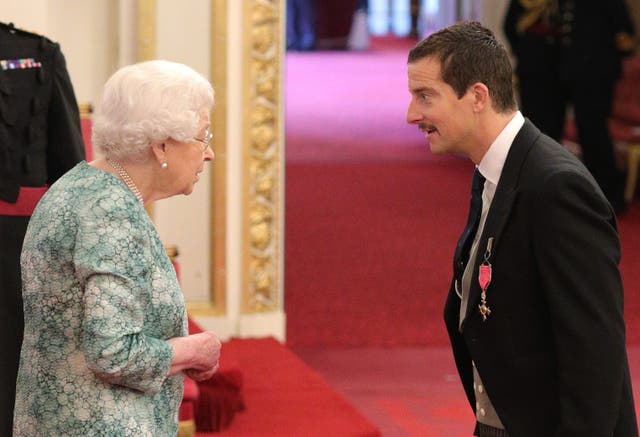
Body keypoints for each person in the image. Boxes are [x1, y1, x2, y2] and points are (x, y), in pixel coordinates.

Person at [406, 21, 637, 436]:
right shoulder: (492, 171)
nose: (411, 114)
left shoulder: (556, 187)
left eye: (426, 96)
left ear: (477, 96)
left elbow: (594, 354)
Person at [13, 60, 222, 436]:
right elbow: (113, 353)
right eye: (203, 137)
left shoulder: (79, 186)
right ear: (161, 145)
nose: (208, 153)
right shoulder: (112, 214)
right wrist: (193, 351)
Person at [0, 22, 86, 435]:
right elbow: (70, 177)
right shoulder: (37, 54)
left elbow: (68, 176)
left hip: (17, 253)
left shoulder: (40, 54)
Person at [503, 0, 636, 213]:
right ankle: (542, 192)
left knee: (593, 132)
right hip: (554, 72)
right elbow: (512, 26)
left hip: (593, 71)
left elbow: (623, 33)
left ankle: (606, 197)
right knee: (544, 134)